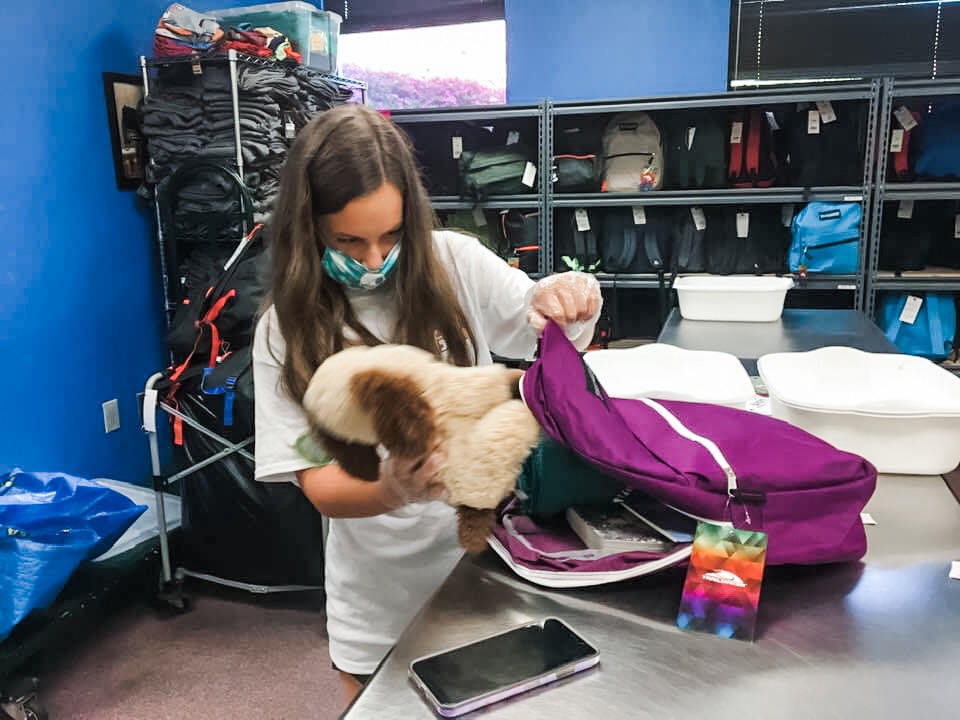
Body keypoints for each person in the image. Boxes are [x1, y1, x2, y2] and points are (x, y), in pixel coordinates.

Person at [251, 103, 602, 710]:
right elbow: (318, 484)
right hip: (377, 602)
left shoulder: (454, 262)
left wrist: (571, 299)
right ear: (308, 228)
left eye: (389, 236)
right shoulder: (285, 330)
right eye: (348, 240)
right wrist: (394, 488)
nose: (372, 259)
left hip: (491, 572)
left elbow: (545, 329)